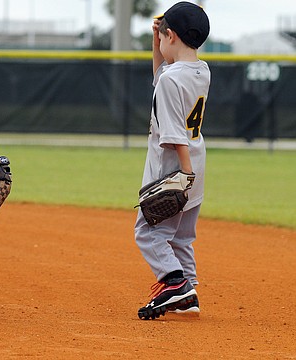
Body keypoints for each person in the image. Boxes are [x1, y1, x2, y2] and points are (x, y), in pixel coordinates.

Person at [135, 1, 210, 320]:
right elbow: (164, 78)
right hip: (197, 161)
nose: (160, 42)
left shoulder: (170, 79)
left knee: (148, 232)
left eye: (163, 37)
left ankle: (174, 283)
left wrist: (183, 176)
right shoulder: (201, 69)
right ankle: (189, 291)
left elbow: (173, 133)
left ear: (173, 36)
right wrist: (157, 45)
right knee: (181, 236)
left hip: (174, 167)